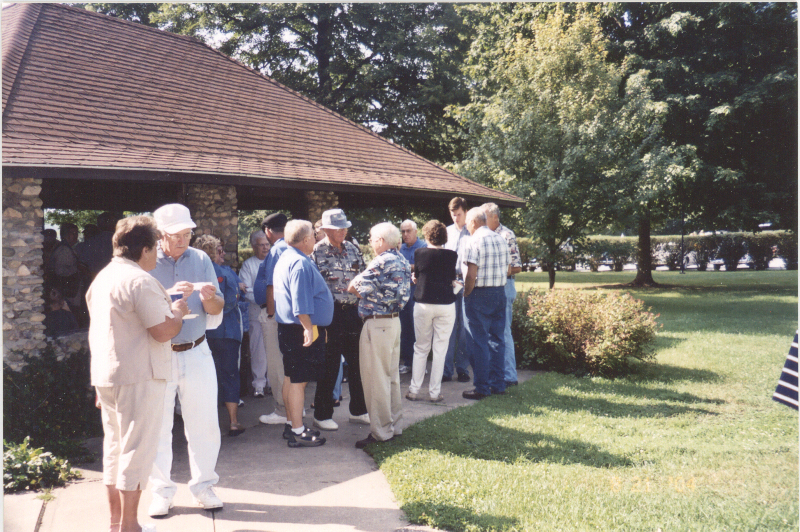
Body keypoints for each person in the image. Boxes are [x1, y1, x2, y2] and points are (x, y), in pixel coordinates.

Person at [87, 215, 189, 532]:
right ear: (144, 249)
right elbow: (162, 331)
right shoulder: (140, 280)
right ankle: (130, 526)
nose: (157, 254)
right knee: (136, 452)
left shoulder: (102, 277)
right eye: (155, 248)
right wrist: (178, 312)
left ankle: (117, 524)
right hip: (138, 376)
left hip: (108, 376)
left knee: (115, 450)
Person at [147, 203, 225, 517]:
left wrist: (210, 298)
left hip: (196, 350)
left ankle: (204, 487)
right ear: (160, 235)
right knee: (157, 427)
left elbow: (218, 308)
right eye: (176, 234)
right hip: (160, 353)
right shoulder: (147, 260)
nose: (183, 239)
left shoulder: (202, 258)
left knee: (204, 423)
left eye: (187, 233)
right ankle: (161, 493)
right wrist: (169, 293)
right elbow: (140, 303)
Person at [348, 222, 411, 449]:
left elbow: (353, 287)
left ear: (382, 241)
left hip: (377, 324)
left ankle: (380, 432)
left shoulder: (381, 261)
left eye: (373, 239)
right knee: (391, 377)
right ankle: (394, 424)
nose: (370, 242)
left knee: (376, 380)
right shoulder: (402, 260)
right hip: (394, 322)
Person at [273, 219, 333, 447]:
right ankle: (298, 431)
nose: (316, 239)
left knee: (291, 377)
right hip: (300, 329)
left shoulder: (285, 258)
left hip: (290, 329)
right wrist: (308, 328)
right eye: (314, 235)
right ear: (307, 239)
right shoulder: (299, 263)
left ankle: (292, 424)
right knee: (299, 381)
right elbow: (301, 301)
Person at [311, 208, 370, 431]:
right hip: (330, 314)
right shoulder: (316, 252)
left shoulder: (353, 249)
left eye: (345, 227)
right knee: (330, 365)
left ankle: (359, 410)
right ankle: (322, 414)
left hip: (353, 312)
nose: (343, 231)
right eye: (338, 228)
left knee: (357, 363)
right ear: (326, 229)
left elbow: (363, 276)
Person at [195, 235, 247, 437]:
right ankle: (233, 421)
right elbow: (233, 299)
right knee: (230, 375)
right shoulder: (226, 272)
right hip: (226, 332)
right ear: (211, 253)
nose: (223, 254)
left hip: (201, 334)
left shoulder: (194, 272)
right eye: (220, 250)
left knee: (205, 378)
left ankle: (206, 424)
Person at [405, 220, 458, 403]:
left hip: (423, 304)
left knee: (420, 348)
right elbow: (451, 278)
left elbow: (417, 277)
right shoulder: (452, 255)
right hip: (445, 305)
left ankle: (414, 389)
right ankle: (434, 392)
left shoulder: (419, 253)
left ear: (426, 235)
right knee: (440, 349)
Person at [461, 208, 511, 400]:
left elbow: (471, 274)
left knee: (478, 341)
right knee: (497, 339)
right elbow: (507, 268)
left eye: (467, 223)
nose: (466, 227)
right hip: (499, 292)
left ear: (474, 222)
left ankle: (482, 387)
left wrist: (467, 293)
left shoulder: (473, 241)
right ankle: (498, 383)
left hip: (479, 294)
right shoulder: (501, 238)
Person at [253, 213, 290, 426]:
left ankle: (282, 409)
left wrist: (269, 314)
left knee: (276, 363)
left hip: (273, 312)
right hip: (283, 312)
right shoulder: (289, 247)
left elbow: (271, 284)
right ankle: (291, 406)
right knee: (285, 363)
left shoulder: (277, 249)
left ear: (268, 231)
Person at [481, 203, 523, 387]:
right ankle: (496, 374)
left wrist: (493, 272)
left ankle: (509, 376)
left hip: (504, 287)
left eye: (485, 217)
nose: (482, 221)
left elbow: (517, 266)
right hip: (491, 288)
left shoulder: (506, 235)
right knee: (493, 333)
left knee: (503, 332)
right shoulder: (483, 236)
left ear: (494, 217)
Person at [443, 197, 472, 383]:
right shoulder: (447, 232)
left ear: (466, 213)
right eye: (453, 215)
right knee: (448, 327)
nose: (455, 218)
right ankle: (445, 371)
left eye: (459, 214)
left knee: (464, 328)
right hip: (450, 283)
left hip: (467, 283)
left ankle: (462, 368)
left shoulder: (472, 231)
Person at [239, 230, 271, 397]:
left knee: (274, 348)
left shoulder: (274, 262)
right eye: (261, 245)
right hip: (256, 314)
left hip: (274, 314)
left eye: (267, 244)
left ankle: (273, 383)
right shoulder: (248, 265)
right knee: (258, 351)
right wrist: (265, 299)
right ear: (253, 247)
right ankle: (259, 385)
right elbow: (246, 291)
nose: (265, 248)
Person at [398, 219, 427, 374]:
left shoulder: (422, 247)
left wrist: (404, 265)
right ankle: (408, 363)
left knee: (419, 329)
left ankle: (420, 365)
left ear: (416, 231)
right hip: (403, 295)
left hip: (418, 294)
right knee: (406, 329)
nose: (405, 234)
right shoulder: (401, 248)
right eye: (402, 231)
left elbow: (423, 265)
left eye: (408, 231)